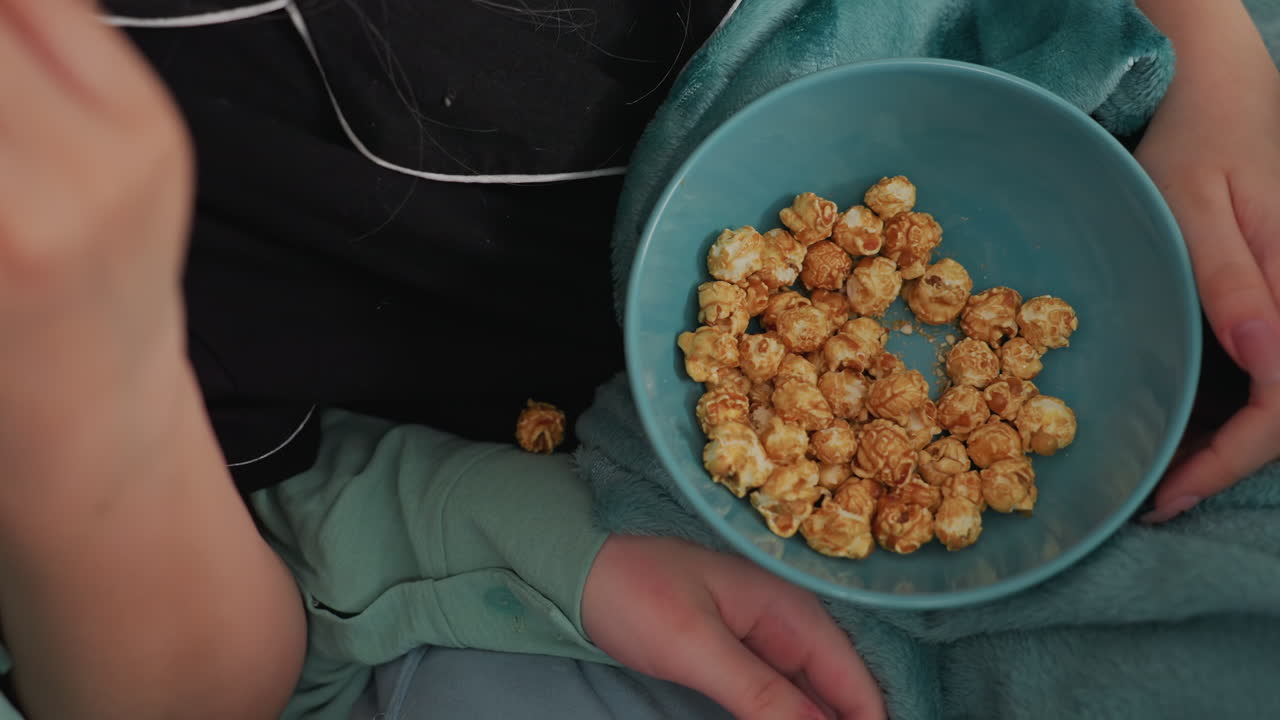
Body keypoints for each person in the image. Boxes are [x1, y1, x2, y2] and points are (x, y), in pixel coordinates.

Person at [0, 1, 1274, 719]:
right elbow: (175, 696)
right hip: (613, 478)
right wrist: (81, 389)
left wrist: (1214, 52)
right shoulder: (80, 215)